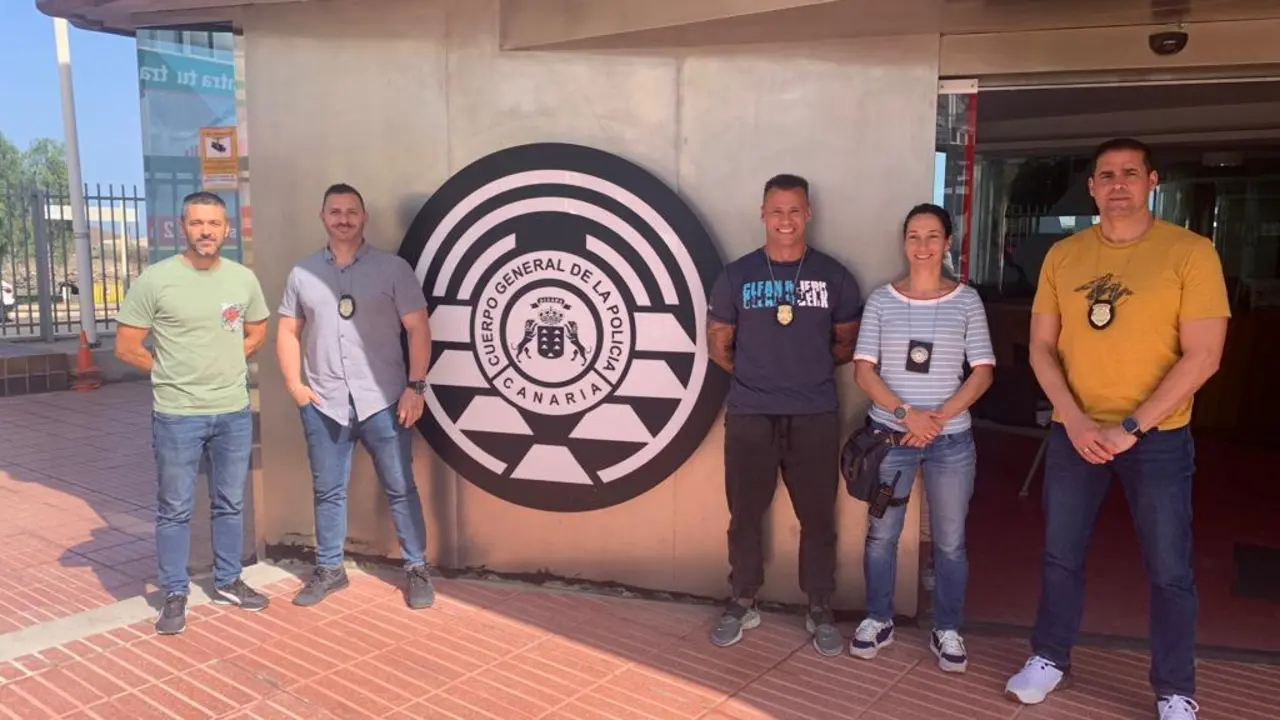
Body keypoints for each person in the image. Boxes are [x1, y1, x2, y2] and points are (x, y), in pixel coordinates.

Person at [1004, 138, 1229, 720]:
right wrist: (1075, 420)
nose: (1118, 183)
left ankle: (1175, 690)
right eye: (1107, 175)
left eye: (1131, 173)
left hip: (1156, 438)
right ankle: (1049, 657)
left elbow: (1203, 356)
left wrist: (1132, 426)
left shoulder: (1191, 252)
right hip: (1074, 434)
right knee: (1060, 554)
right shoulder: (1065, 256)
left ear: (1152, 180)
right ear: (1092, 187)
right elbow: (1040, 349)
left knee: (1170, 568)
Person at [705, 173, 863, 657]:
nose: (786, 220)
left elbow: (845, 343)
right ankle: (742, 598)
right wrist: (760, 376)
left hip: (814, 414)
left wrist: (801, 373)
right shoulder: (737, 275)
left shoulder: (834, 276)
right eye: (777, 211)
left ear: (809, 213)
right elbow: (719, 347)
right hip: (752, 414)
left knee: (818, 517)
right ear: (763, 214)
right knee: (744, 515)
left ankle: (818, 606)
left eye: (795, 210)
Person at [115, 191, 271, 635]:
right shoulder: (156, 280)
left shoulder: (243, 279)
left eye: (214, 224)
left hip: (233, 412)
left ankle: (228, 579)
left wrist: (229, 359)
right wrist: (171, 371)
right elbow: (127, 346)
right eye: (197, 223)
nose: (206, 231)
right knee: (175, 508)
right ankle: (174, 592)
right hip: (177, 414)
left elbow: (257, 329)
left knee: (230, 502)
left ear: (227, 230)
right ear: (182, 227)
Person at [848, 203, 995, 672]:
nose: (924, 245)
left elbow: (983, 373)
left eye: (933, 236)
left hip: (951, 443)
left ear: (948, 243)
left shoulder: (967, 302)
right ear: (904, 242)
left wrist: (935, 420)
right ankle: (878, 618)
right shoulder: (881, 300)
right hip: (891, 440)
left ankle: (947, 628)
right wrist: (907, 415)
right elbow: (863, 371)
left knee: (951, 541)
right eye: (914, 235)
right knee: (881, 535)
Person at [276, 183, 434, 610]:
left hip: (383, 399)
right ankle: (330, 569)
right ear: (322, 216)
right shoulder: (302, 273)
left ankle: (417, 567)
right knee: (328, 491)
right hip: (324, 402)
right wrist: (296, 387)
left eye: (351, 211)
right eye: (335, 211)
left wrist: (415, 387)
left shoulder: (393, 269)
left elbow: (418, 327)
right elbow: (288, 331)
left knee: (401, 488)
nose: (343, 218)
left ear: (363, 217)